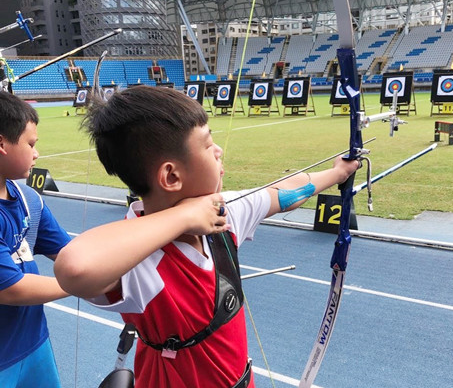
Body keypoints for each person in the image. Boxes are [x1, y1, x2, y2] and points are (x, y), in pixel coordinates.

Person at [54, 85, 358, 388]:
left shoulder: (221, 213)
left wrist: (336, 174)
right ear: (171, 177)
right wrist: (184, 216)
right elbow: (74, 266)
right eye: (207, 144)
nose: (219, 150)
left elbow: (283, 193)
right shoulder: (138, 259)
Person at [0, 91, 71, 387]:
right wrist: (78, 283)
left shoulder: (29, 199)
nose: (36, 153)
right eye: (31, 144)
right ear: (2, 144)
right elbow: (11, 290)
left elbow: (70, 252)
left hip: (35, 343)